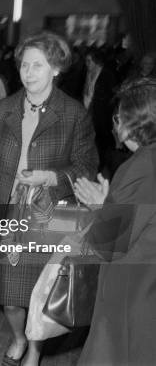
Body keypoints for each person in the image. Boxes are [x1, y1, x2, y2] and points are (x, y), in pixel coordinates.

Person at [0, 31, 98, 366]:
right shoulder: (3, 110)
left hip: (48, 214)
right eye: (24, 65)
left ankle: (35, 349)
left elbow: (88, 166)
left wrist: (52, 177)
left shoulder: (74, 114)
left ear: (56, 68)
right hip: (9, 213)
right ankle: (19, 337)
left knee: (41, 292)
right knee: (9, 295)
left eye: (38, 65)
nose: (29, 72)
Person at [75, 78, 156, 366]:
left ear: (132, 122)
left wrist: (99, 206)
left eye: (118, 115)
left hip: (134, 297)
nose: (115, 122)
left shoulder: (141, 167)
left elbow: (107, 244)